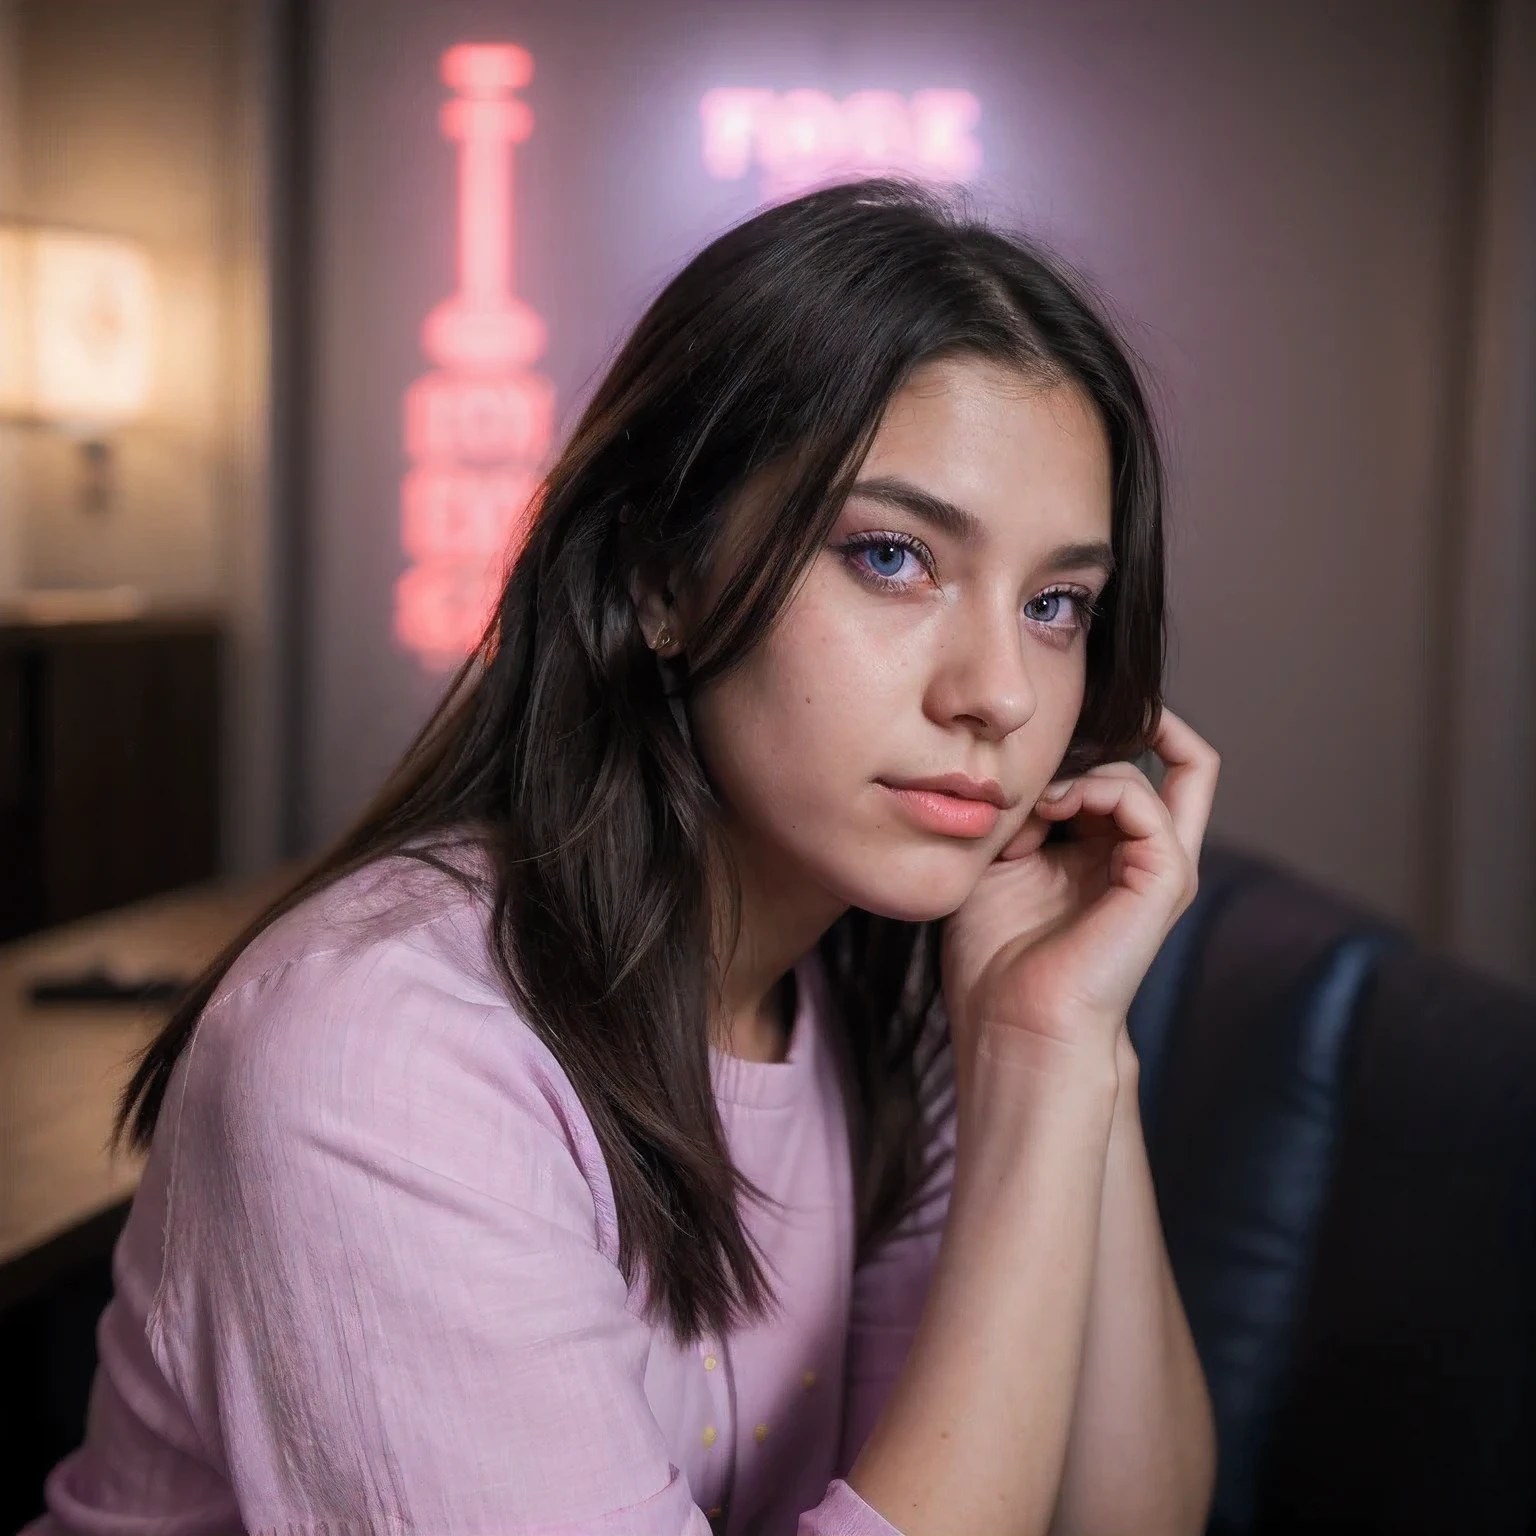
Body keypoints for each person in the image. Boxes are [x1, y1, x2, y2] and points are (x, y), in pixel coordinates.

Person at [28, 179, 1220, 1536]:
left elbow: (1129, 1518)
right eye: (891, 557)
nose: (998, 691)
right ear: (661, 576)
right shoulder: (381, 1054)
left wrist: (1068, 1050)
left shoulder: (900, 998)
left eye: (1058, 602)